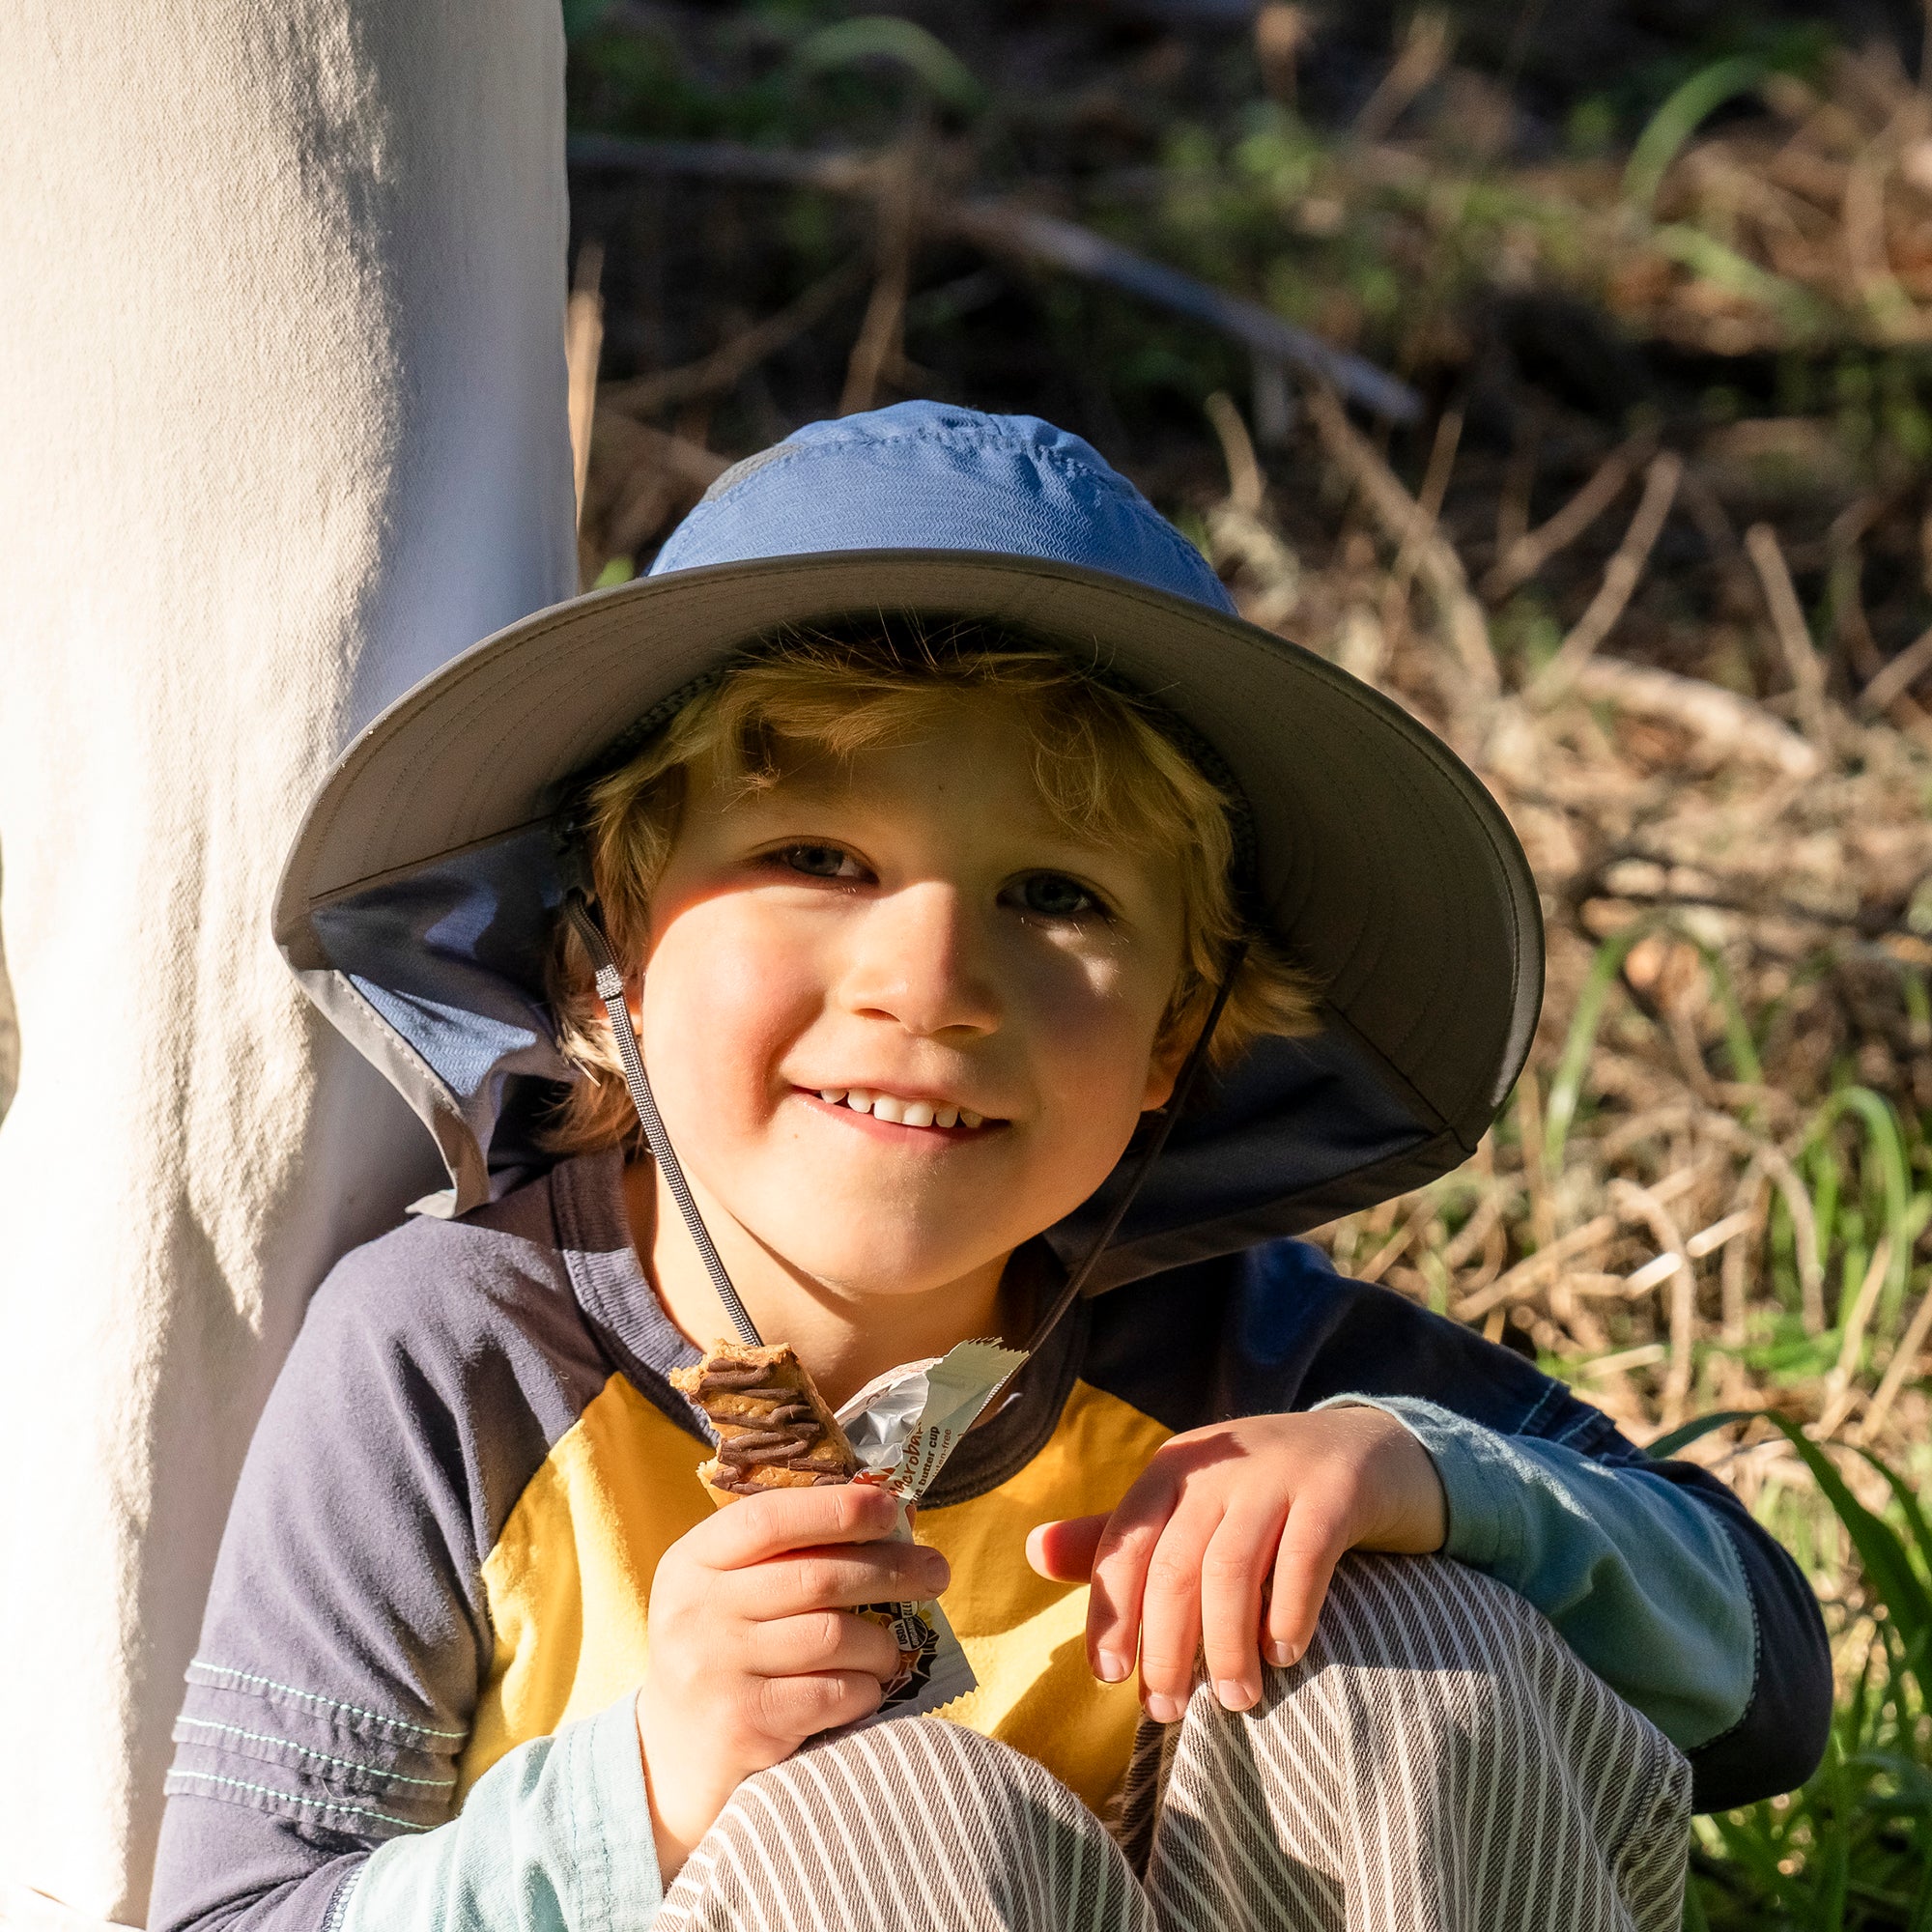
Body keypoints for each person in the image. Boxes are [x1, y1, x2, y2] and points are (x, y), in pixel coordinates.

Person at [147, 402, 1830, 1932]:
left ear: (1178, 1032)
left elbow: (1766, 1688)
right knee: (893, 1812)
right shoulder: (454, 1356)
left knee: (1410, 1638)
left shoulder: (1247, 1359)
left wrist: (1425, 1479)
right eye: (817, 857)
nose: (931, 981)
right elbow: (239, 1913)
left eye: (1059, 898)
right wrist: (647, 1789)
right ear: (614, 947)